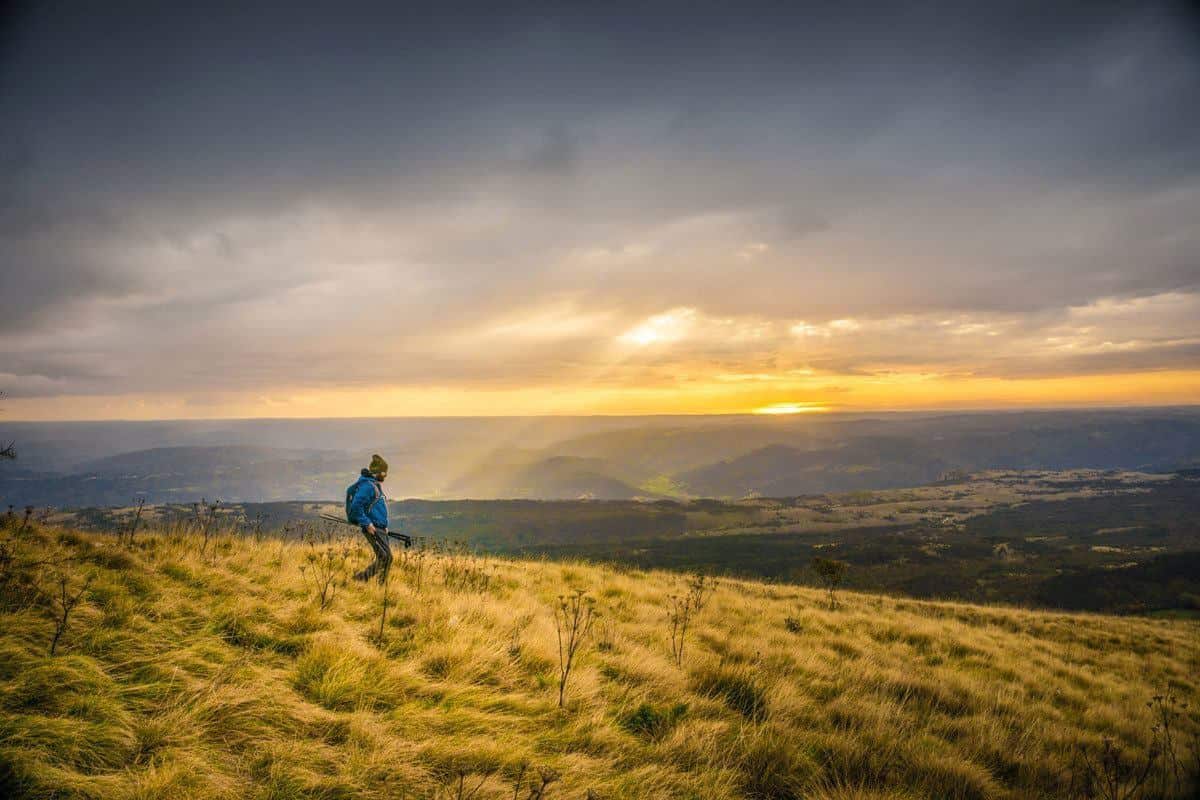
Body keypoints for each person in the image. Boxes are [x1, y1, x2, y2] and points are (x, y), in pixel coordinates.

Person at [349, 454, 391, 583]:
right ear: (378, 472)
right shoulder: (368, 486)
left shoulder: (373, 484)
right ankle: (361, 580)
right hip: (372, 528)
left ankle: (380, 586)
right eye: (384, 473)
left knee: (387, 557)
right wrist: (367, 523)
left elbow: (375, 507)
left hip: (380, 527)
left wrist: (384, 525)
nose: (385, 476)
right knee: (385, 557)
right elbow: (356, 506)